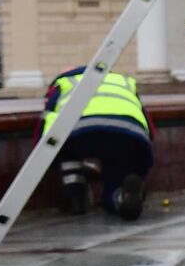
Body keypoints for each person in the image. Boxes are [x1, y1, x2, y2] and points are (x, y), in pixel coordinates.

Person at [40, 66, 153, 220]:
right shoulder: (122, 82)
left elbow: (48, 121)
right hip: (127, 133)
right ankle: (120, 198)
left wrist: (47, 158)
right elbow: (147, 123)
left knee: (67, 152)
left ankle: (74, 196)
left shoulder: (64, 83)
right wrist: (140, 164)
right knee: (116, 177)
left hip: (81, 131)